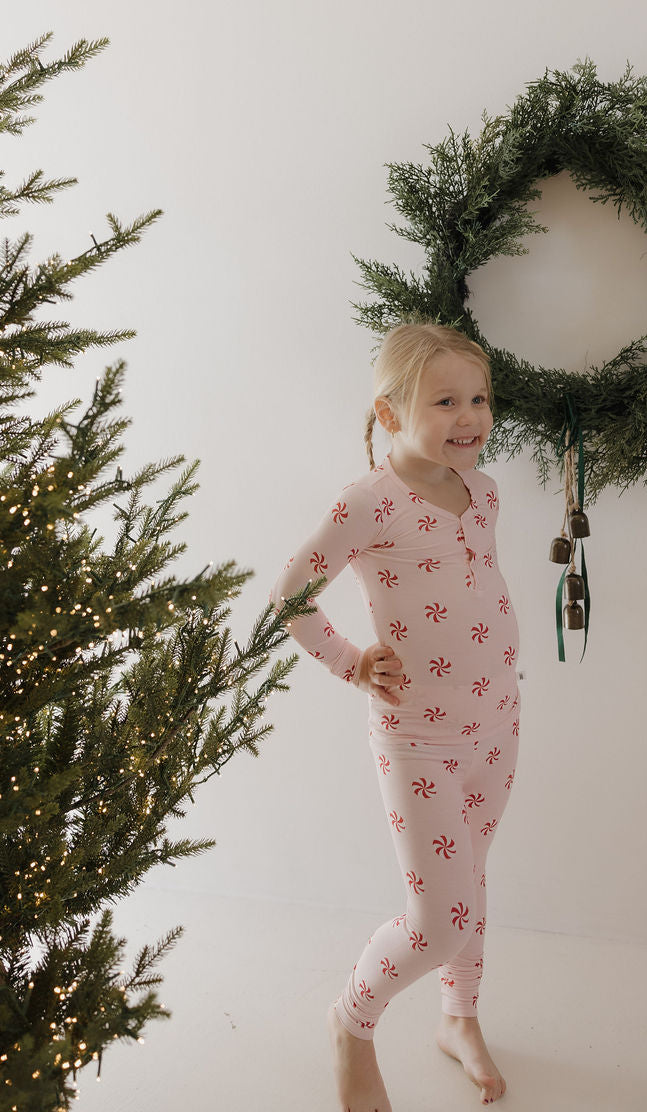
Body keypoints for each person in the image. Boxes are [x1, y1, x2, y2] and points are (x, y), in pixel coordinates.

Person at [271, 321, 521, 1109]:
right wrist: (351, 663)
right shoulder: (368, 502)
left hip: (498, 721)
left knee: (469, 885)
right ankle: (353, 1021)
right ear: (389, 414)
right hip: (418, 738)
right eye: (444, 401)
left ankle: (459, 1017)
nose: (468, 416)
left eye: (477, 398)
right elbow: (290, 596)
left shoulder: (483, 491)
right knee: (437, 918)